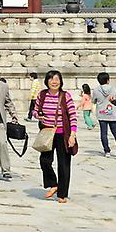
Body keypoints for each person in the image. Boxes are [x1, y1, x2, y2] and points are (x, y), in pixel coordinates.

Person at [33, 70, 78, 203]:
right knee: (45, 161)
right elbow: (35, 111)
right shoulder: (42, 95)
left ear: (61, 81)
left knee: (63, 164)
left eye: (57, 79)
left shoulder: (65, 96)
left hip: (63, 134)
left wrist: (72, 135)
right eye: (51, 79)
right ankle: (54, 184)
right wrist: (39, 116)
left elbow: (73, 116)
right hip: (47, 133)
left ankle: (62, 194)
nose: (54, 82)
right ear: (47, 81)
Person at [92, 71, 116, 157]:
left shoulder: (96, 90)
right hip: (112, 114)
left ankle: (107, 151)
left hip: (101, 114)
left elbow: (94, 101)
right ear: (107, 80)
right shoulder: (113, 89)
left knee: (104, 133)